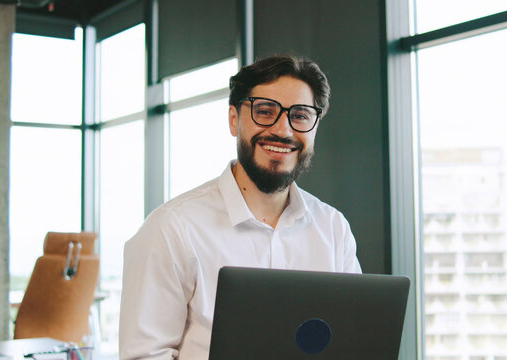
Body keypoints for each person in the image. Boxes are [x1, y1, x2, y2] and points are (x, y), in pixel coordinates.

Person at [119, 55, 361, 360]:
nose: (283, 130)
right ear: (234, 120)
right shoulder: (172, 228)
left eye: (299, 115)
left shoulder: (333, 229)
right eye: (264, 111)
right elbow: (144, 355)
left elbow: (350, 342)